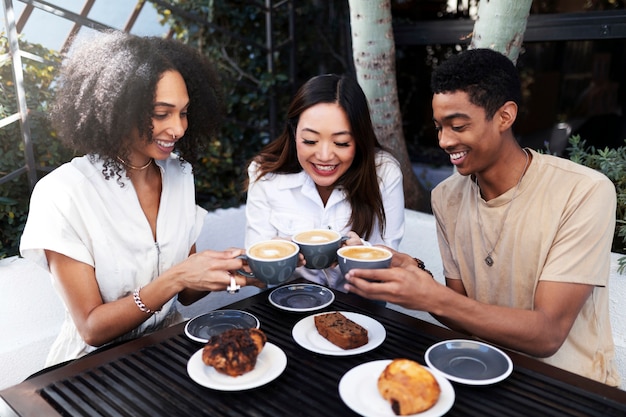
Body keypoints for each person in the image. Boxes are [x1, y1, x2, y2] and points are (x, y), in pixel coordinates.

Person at [344, 48, 620, 386]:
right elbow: (462, 316)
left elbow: (548, 334)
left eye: (458, 126)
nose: (444, 141)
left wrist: (433, 296)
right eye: (438, 127)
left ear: (505, 117)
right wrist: (420, 280)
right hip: (480, 372)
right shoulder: (446, 197)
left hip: (568, 386)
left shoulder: (584, 192)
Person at [19, 31, 261, 367]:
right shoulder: (62, 193)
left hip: (169, 348)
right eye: (162, 113)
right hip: (94, 369)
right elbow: (91, 327)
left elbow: (188, 293)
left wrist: (237, 266)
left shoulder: (179, 174)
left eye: (184, 112)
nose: (177, 129)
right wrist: (177, 278)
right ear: (118, 108)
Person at [245, 74, 405, 290]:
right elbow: (257, 271)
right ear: (294, 133)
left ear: (359, 139)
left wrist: (360, 251)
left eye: (341, 143)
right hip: (287, 305)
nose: (324, 156)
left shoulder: (383, 172)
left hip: (360, 309)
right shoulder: (265, 174)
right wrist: (281, 256)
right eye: (310, 141)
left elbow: (388, 263)